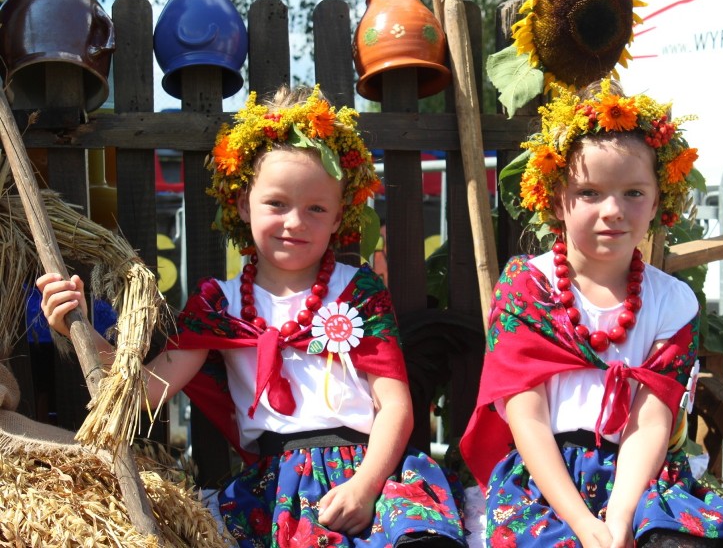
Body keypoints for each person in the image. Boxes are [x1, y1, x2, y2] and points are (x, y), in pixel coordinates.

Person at [38, 84, 467, 547]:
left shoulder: (356, 291)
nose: (295, 222)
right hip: (274, 490)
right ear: (244, 204)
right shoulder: (219, 306)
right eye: (277, 203)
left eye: (316, 208)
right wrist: (75, 324)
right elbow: (143, 390)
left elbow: (395, 406)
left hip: (373, 471)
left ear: (340, 215)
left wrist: (365, 488)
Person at [459, 79, 723, 547]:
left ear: (659, 201)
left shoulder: (672, 301)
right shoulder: (527, 288)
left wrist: (620, 518)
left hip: (641, 477)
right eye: (589, 193)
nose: (613, 211)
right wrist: (585, 524)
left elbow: (650, 421)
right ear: (558, 197)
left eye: (633, 193)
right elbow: (528, 419)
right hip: (547, 481)